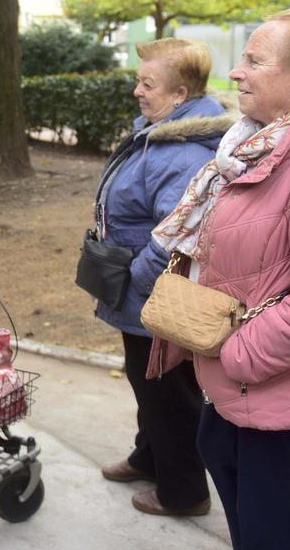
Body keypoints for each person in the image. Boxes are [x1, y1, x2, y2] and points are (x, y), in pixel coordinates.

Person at [149, 9, 290, 550]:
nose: (236, 72)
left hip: (272, 394)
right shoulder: (257, 146)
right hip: (239, 392)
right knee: (242, 512)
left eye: (254, 61)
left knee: (270, 547)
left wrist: (236, 354)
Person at [91, 38, 230, 517]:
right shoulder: (161, 133)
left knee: (169, 393)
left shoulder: (183, 152)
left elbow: (177, 234)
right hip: (138, 297)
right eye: (138, 79)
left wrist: (137, 276)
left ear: (180, 95)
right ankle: (148, 458)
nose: (136, 91)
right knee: (147, 382)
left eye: (147, 83)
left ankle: (184, 492)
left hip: (153, 296)